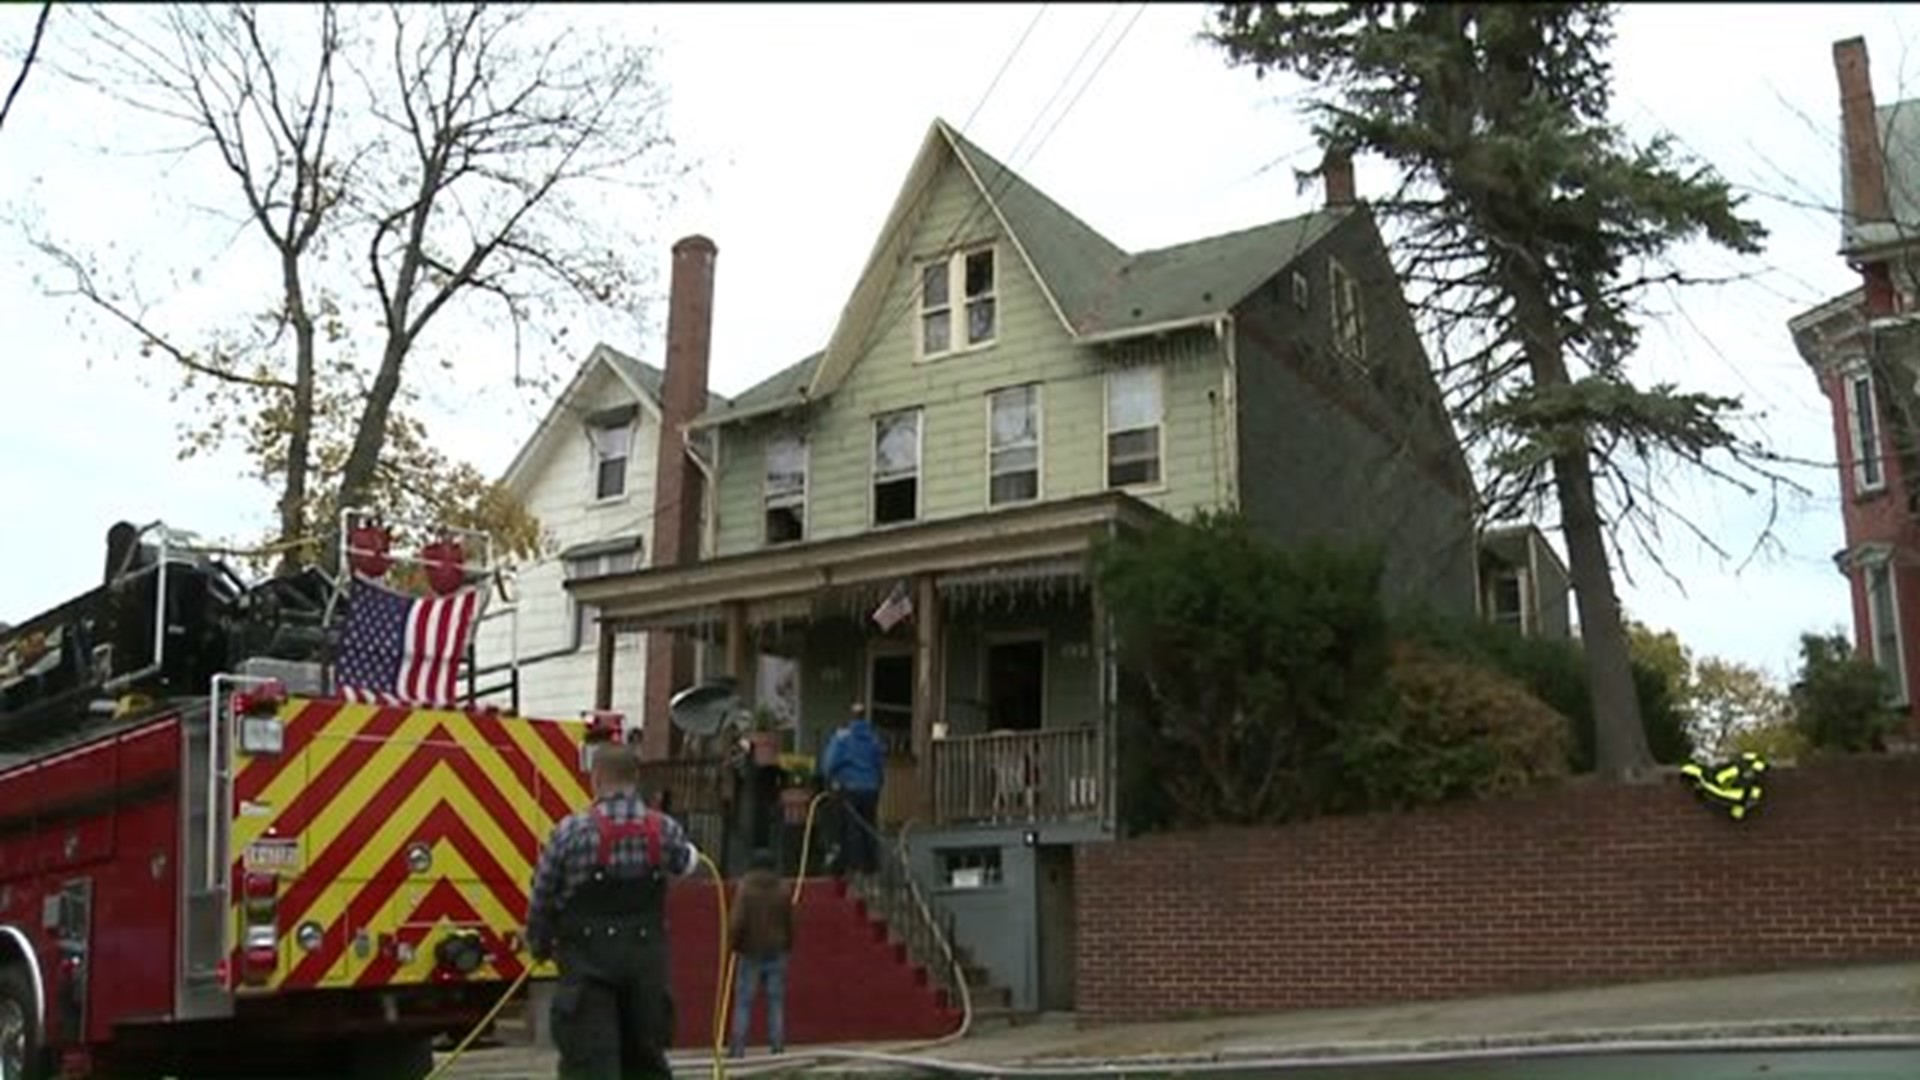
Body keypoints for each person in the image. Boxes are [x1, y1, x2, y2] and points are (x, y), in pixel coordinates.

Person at [527, 743, 701, 1080]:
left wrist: (539, 943)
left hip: (585, 970)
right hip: (645, 971)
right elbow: (688, 864)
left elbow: (542, 897)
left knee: (591, 1066)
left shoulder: (569, 833)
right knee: (646, 1061)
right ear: (635, 779)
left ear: (597, 778)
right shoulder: (665, 829)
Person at [726, 848, 794, 1058]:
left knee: (744, 1001)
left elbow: (737, 921)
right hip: (777, 950)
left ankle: (738, 1048)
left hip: (750, 951)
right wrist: (789, 944)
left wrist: (733, 945)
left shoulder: (745, 888)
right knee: (776, 1001)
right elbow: (790, 921)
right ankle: (777, 1045)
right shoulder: (783, 889)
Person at [820, 702, 886, 875]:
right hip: (871, 789)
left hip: (850, 789)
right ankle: (872, 868)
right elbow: (880, 765)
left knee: (852, 829)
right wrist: (878, 782)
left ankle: (855, 868)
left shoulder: (843, 738)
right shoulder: (874, 738)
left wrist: (833, 778)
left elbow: (829, 764)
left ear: (850, 717)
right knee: (869, 826)